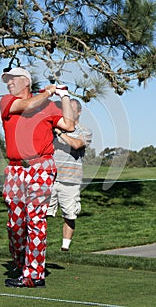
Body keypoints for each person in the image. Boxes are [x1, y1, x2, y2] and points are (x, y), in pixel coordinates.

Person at [0, 67, 74, 288]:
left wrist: (64, 96)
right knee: (15, 224)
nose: (9, 83)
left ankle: (34, 275)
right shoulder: (6, 101)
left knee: (35, 220)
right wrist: (48, 93)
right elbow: (29, 105)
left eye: (13, 79)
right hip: (15, 170)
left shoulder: (48, 106)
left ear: (26, 81)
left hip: (41, 166)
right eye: (7, 80)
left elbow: (69, 125)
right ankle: (22, 263)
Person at [47, 98, 92, 251]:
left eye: (71, 109)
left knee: (69, 214)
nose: (67, 111)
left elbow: (76, 144)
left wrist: (59, 133)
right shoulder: (56, 126)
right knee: (43, 213)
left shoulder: (84, 131)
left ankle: (64, 248)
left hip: (71, 180)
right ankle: (39, 244)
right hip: (52, 178)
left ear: (78, 112)